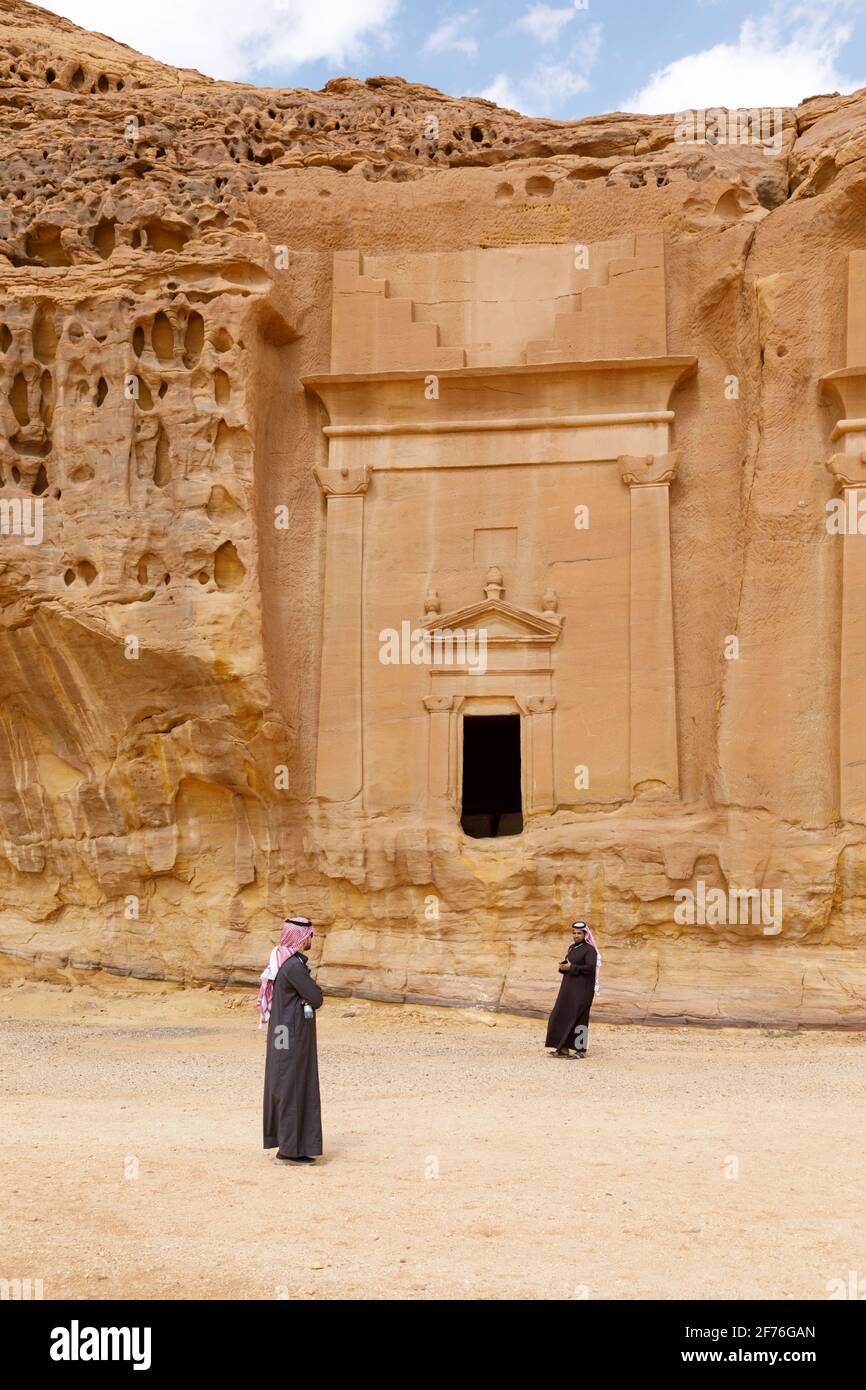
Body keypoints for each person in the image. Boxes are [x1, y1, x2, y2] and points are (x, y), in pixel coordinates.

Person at [259, 916, 324, 1163]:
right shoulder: (293, 966)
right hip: (291, 1033)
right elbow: (316, 997)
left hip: (281, 1033)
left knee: (285, 1081)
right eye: (309, 936)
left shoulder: (282, 962)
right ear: (301, 937)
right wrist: (309, 998)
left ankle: (290, 1146)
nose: (311, 940)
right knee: (292, 1084)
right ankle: (288, 1150)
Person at [544, 920, 600, 1059]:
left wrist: (572, 967)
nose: (576, 935)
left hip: (583, 991)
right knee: (560, 1016)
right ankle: (562, 1048)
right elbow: (570, 966)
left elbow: (590, 968)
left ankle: (580, 1050)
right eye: (574, 933)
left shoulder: (590, 950)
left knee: (580, 1019)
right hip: (568, 990)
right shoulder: (572, 948)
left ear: (585, 934)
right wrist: (563, 967)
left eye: (579, 933)